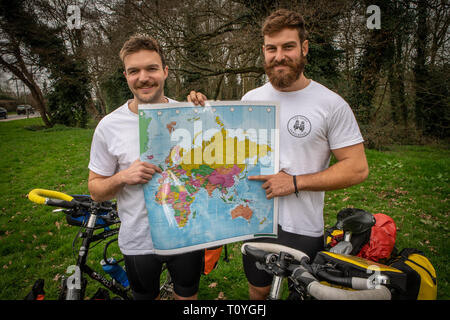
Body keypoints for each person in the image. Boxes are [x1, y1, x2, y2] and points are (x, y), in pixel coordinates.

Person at [188, 9, 369, 300]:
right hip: (256, 220)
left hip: (303, 225)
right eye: (272, 49)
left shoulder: (330, 104)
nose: (279, 56)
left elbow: (357, 168)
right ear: (264, 51)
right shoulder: (251, 100)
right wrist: (201, 115)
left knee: (301, 293)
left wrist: (295, 182)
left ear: (304, 48)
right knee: (258, 291)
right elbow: (231, 154)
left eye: (288, 47)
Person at [88, 35, 202, 300]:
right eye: (134, 71)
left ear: (165, 71)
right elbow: (96, 191)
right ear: (126, 76)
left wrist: (206, 112)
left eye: (151, 68)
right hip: (138, 241)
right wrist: (123, 177)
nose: (143, 77)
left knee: (187, 296)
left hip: (186, 233)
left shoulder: (189, 113)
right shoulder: (109, 126)